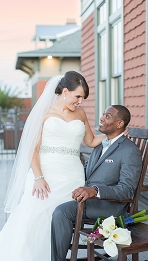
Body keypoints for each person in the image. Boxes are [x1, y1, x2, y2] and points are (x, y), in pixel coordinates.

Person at [0, 71, 107, 260]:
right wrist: (38, 178)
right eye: (78, 96)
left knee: (60, 219)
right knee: (32, 220)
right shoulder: (44, 113)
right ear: (65, 91)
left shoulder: (80, 113)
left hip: (72, 176)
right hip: (45, 175)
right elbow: (32, 149)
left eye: (83, 98)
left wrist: (113, 136)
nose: (80, 102)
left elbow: (91, 141)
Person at [51, 105, 141, 261]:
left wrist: (95, 190)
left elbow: (127, 190)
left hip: (108, 206)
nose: (101, 118)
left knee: (61, 212)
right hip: (88, 201)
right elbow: (86, 171)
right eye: (103, 114)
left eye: (107, 116)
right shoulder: (100, 145)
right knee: (52, 204)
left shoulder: (130, 151)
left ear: (119, 124)